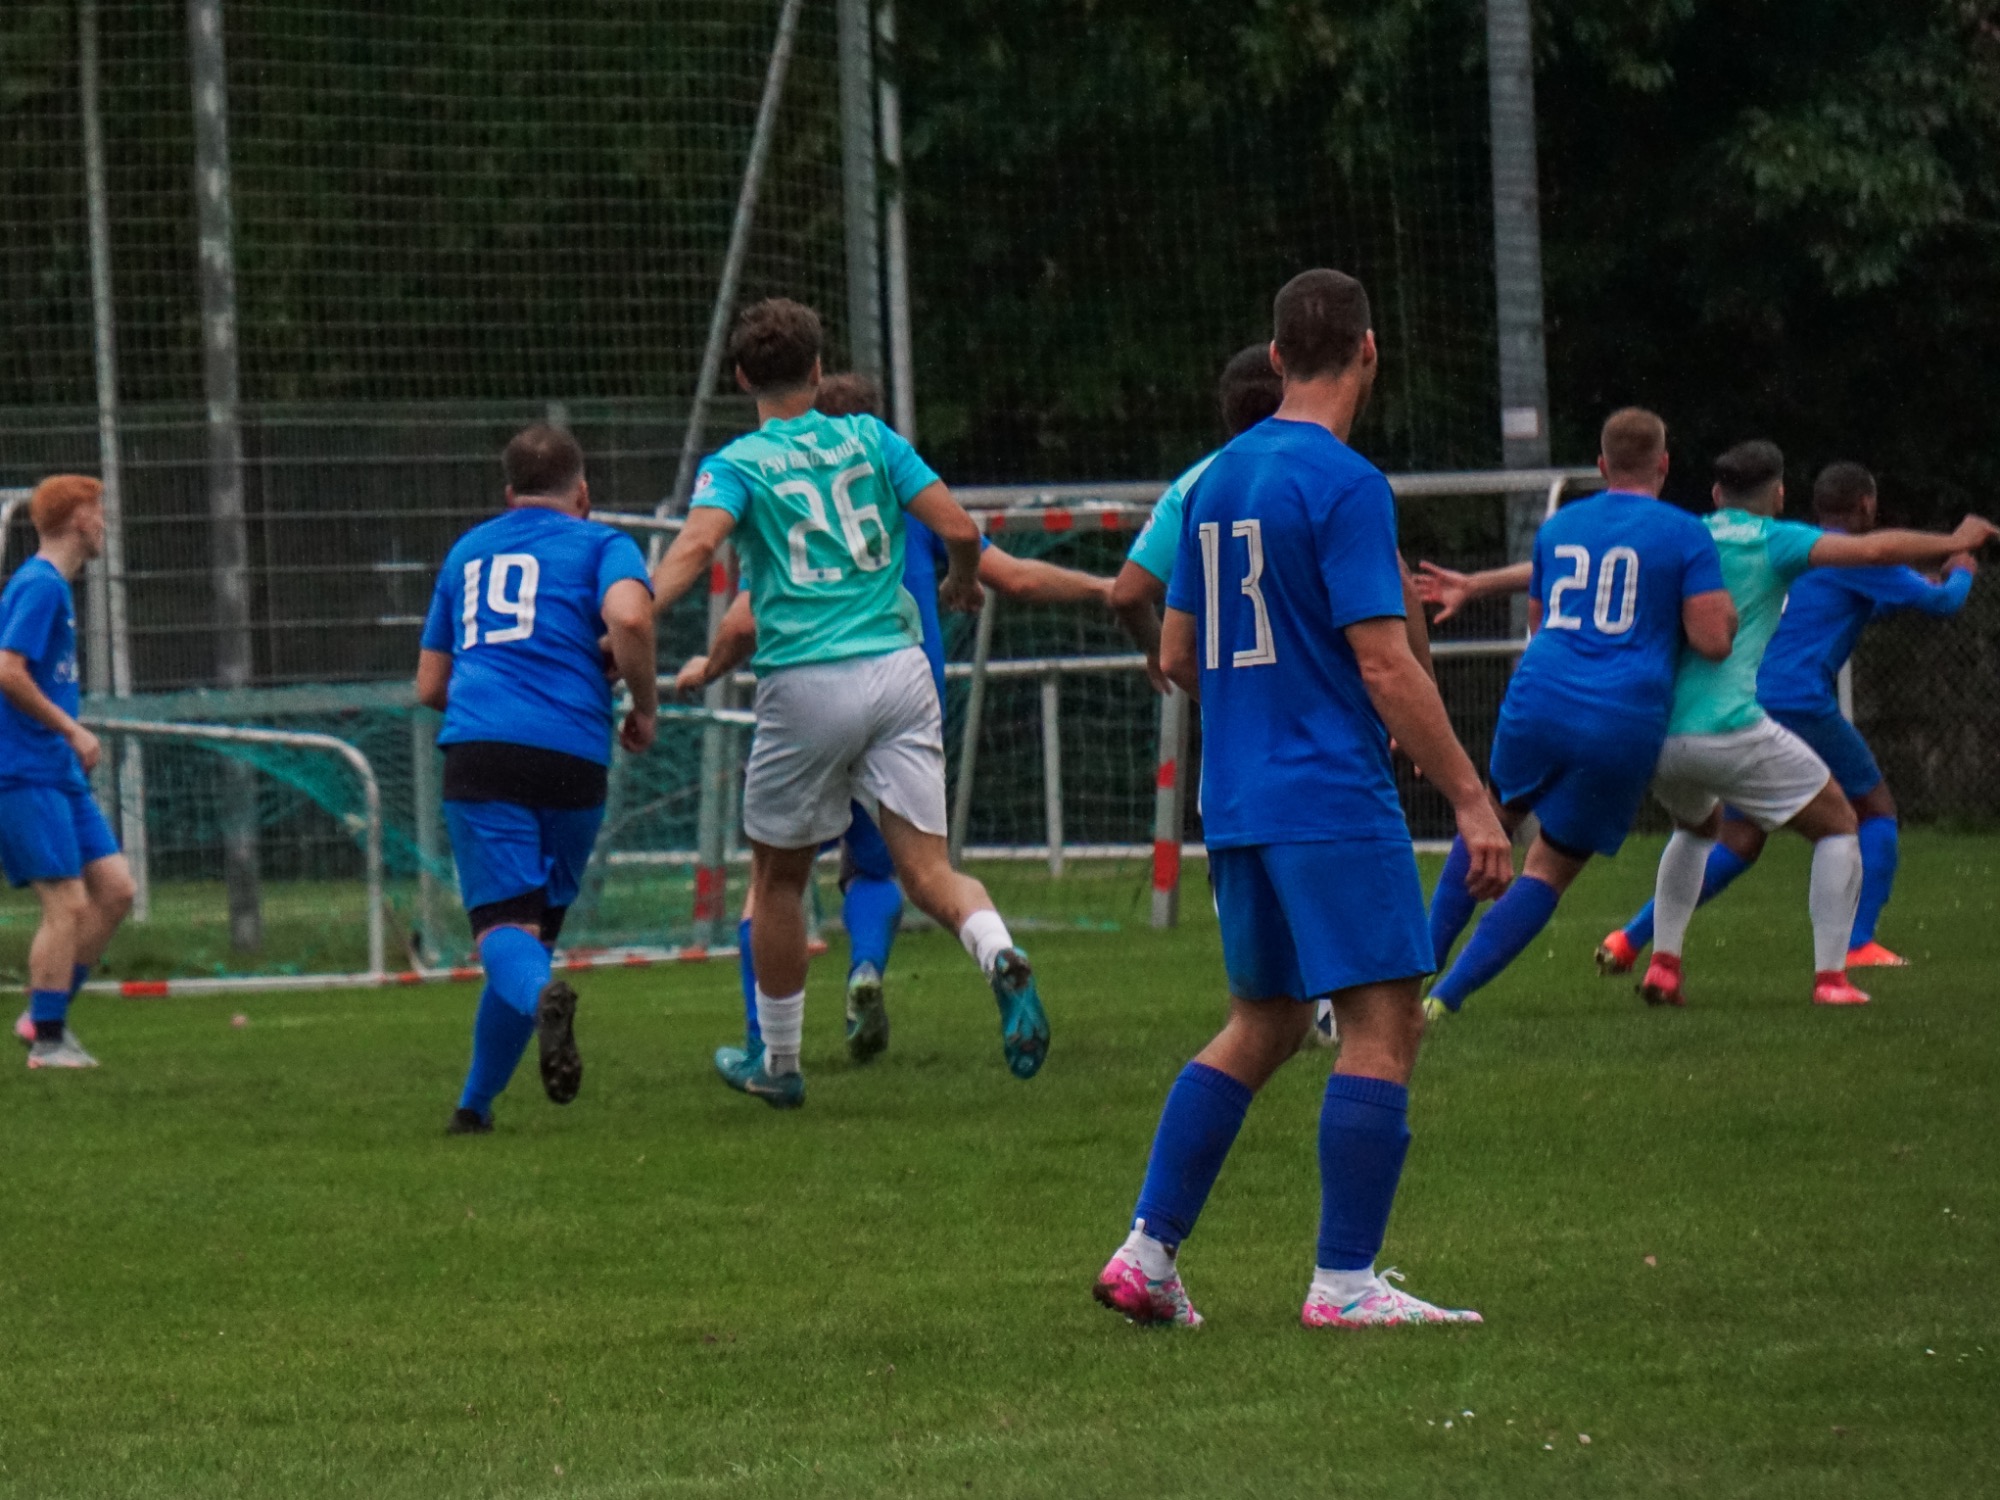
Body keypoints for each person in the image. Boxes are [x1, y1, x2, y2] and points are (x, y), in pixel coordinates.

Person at [1091, 269, 1512, 1331]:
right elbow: (1383, 659)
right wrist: (1470, 801)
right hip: (1327, 792)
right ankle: (1345, 1282)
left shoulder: (1215, 479)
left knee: (1265, 1021)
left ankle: (1146, 1253)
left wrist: (1264, 699)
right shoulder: (1345, 483)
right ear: (1368, 351)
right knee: (1385, 1020)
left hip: (1236, 797)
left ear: (1277, 357)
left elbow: (1177, 653)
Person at [651, 299, 1048, 1109]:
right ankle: (999, 954)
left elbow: (697, 546)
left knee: (778, 880)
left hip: (808, 680)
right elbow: (958, 529)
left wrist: (638, 611)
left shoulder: (739, 463)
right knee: (929, 871)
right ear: (818, 368)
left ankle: (779, 1063)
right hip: (901, 671)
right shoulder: (871, 437)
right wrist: (962, 581)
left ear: (741, 378)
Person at [1617, 442, 1993, 1007]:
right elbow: (1912, 583)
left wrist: (1487, 583)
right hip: (1778, 704)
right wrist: (1959, 561)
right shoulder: (1794, 545)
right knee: (1860, 814)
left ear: (1717, 493)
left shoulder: (1692, 536)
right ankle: (1850, 954)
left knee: (1723, 836)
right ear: (1864, 505)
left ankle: (1637, 944)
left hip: (1667, 722)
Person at [1420, 409, 1736, 1018]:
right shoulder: (1685, 532)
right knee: (1550, 868)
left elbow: (1539, 623)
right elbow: (1712, 640)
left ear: (1601, 466)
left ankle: (1414, 972)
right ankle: (1443, 1001)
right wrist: (1724, 617)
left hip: (1539, 694)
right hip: (1621, 715)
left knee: (1489, 820)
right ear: (1664, 464)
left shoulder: (1560, 525)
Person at [417, 425, 657, 1134]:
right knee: (530, 938)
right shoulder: (603, 543)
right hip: (574, 754)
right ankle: (474, 1107)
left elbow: (429, 685)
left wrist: (493, 693)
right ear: (582, 492)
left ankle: (543, 1001)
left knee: (503, 932)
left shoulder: (468, 551)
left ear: (509, 493)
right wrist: (645, 705)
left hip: (484, 750)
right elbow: (630, 616)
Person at [0, 475, 137, 1069]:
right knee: (67, 902)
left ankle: (43, 1014)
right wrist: (71, 728)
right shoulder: (39, 585)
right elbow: (7, 670)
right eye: (99, 511)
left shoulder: (54, 587)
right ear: (80, 519)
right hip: (22, 768)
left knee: (115, 890)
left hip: (55, 768)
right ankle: (49, 1040)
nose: (104, 523)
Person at [1109, 345, 1284, 689]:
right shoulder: (1325, 475)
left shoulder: (1194, 485)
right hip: (1316, 695)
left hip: (1236, 697)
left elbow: (1127, 594)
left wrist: (1156, 646)